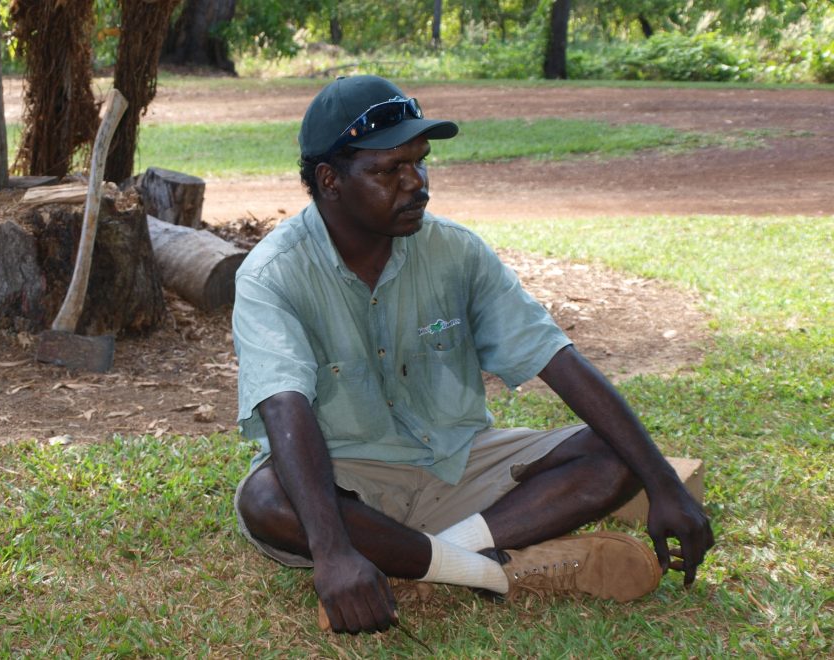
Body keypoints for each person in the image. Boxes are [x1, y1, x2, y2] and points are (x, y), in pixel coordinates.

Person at [232, 75, 714, 635]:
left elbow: (556, 358)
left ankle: (427, 561)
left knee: (620, 452)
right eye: (389, 170)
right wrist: (335, 552)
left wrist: (663, 482)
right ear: (330, 180)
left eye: (420, 162)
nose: (416, 184)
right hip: (349, 484)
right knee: (266, 500)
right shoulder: (272, 275)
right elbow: (284, 409)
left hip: (459, 464)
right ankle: (488, 572)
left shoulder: (456, 251)